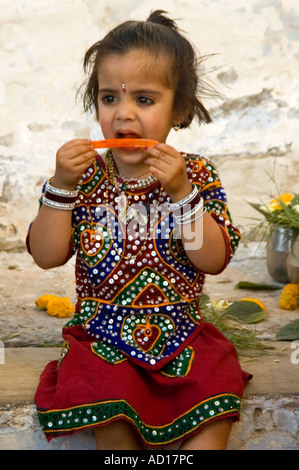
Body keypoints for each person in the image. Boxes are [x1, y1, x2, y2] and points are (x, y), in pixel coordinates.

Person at [27, 10, 251, 450]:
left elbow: (214, 260)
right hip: (102, 339)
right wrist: (60, 187)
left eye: (144, 100)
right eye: (110, 98)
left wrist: (183, 194)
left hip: (182, 334)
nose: (124, 114)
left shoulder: (197, 175)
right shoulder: (84, 177)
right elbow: (46, 255)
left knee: (216, 399)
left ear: (180, 109)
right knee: (109, 404)